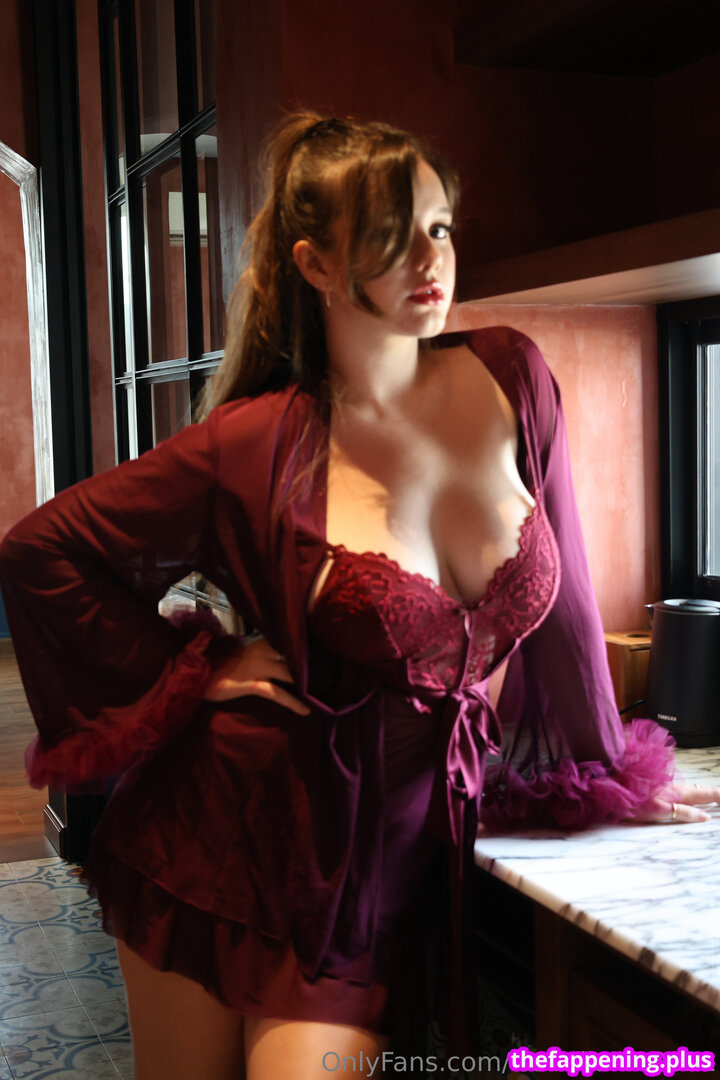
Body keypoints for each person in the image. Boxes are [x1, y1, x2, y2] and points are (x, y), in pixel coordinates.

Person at [0, 112, 718, 1080]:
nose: (431, 258)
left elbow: (573, 616)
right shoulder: (257, 441)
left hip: (379, 874)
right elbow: (42, 552)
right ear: (317, 265)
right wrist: (197, 670)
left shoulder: (514, 374)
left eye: (440, 226)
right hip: (220, 838)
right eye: (391, 235)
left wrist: (612, 775)